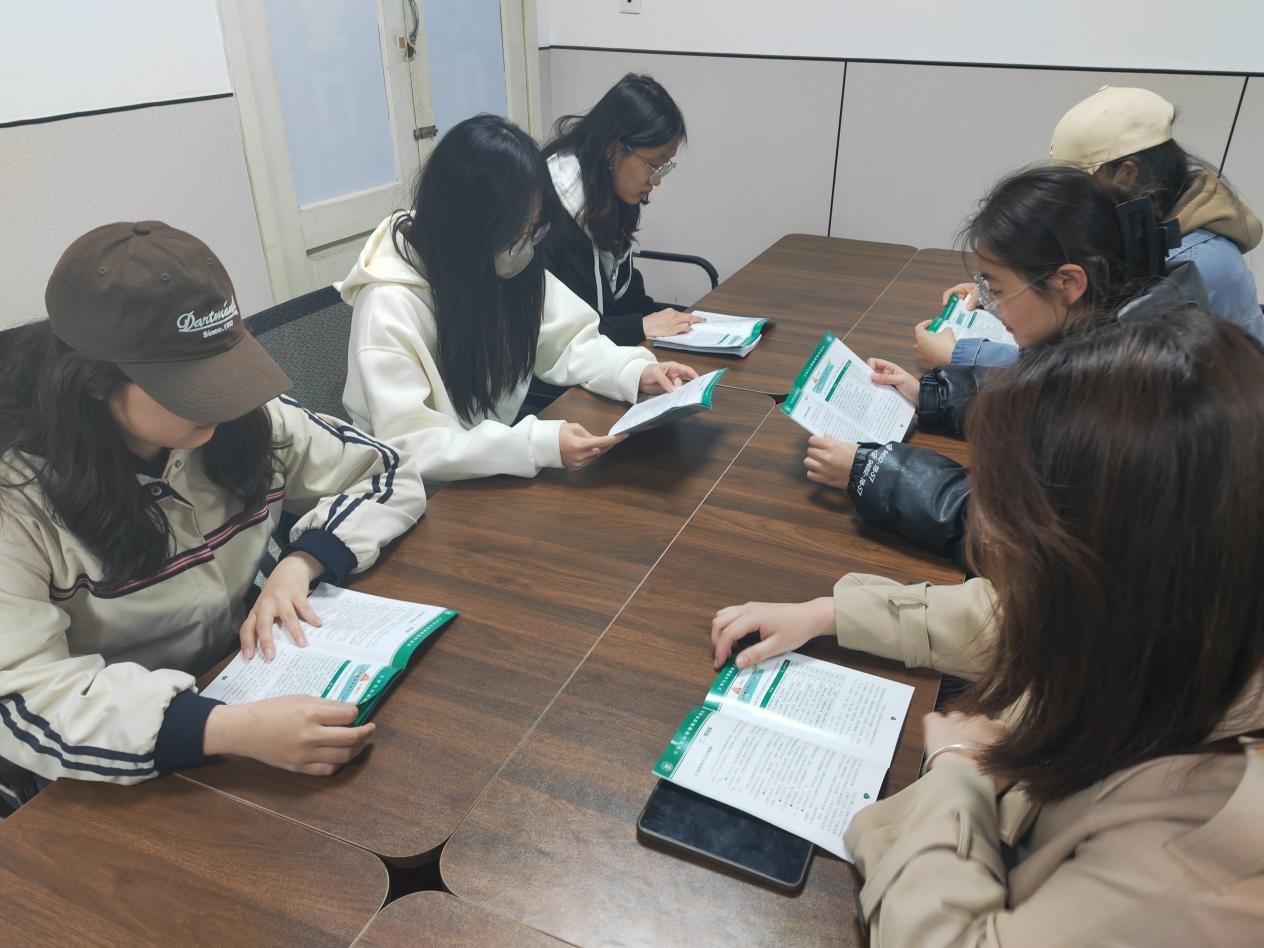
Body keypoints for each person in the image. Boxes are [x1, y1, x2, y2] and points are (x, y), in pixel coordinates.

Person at [714, 308, 1264, 944]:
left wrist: (957, 774)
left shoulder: (1202, 850)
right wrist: (827, 613)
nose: (997, 550)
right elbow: (1023, 617)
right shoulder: (1203, 608)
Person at [0, 222, 428, 812]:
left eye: (225, 370)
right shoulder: (18, 500)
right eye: (189, 386)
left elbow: (385, 471)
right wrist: (226, 729)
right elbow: (24, 698)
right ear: (92, 383)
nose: (224, 403)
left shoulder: (246, 417)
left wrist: (302, 562)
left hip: (243, 674)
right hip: (119, 756)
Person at [804, 165, 1206, 563]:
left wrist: (872, 471)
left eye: (996, 290)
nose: (990, 306)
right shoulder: (1124, 329)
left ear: (1068, 283)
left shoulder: (1118, 401)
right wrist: (930, 395)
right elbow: (1038, 394)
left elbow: (1008, 536)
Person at [340, 114, 697, 487]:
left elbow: (568, 341)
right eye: (514, 234)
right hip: (409, 488)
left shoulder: (501, 258)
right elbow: (411, 444)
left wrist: (633, 372)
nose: (524, 247)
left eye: (533, 230)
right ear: (469, 229)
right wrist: (534, 444)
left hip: (486, 465)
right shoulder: (389, 304)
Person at [918, 85, 1262, 371]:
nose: (1071, 201)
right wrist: (1006, 289)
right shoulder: (1152, 222)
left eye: (1081, 181)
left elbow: (1091, 368)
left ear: (1127, 174)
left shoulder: (1196, 264)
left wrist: (962, 353)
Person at [542, 73, 702, 346]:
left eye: (665, 167)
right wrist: (639, 327)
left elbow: (625, 299)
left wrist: (673, 321)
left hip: (608, 357)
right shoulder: (548, 209)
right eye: (654, 165)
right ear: (614, 149)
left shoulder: (610, 196)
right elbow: (557, 337)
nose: (657, 180)